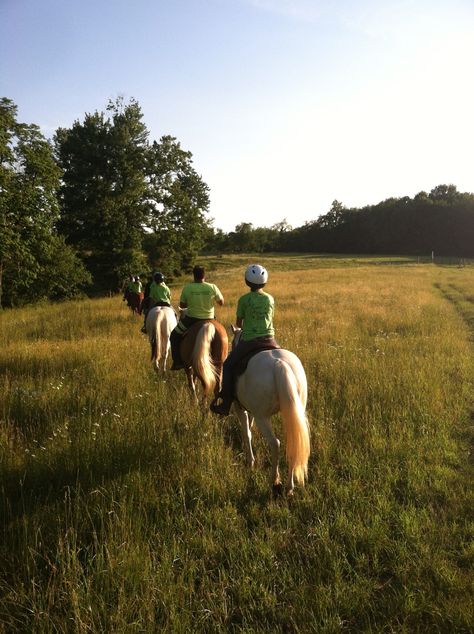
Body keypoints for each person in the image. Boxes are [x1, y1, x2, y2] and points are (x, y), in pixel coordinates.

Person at [210, 264, 279, 416]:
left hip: (250, 341)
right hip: (270, 340)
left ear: (247, 282)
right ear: (264, 282)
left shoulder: (244, 299)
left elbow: (239, 324)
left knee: (227, 365)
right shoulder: (270, 299)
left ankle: (225, 403)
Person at [170, 265, 224, 370]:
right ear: (205, 275)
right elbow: (221, 302)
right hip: (211, 319)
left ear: (193, 275)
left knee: (174, 336)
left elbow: (183, 305)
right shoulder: (212, 287)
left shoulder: (188, 287)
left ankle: (178, 362)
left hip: (191, 319)